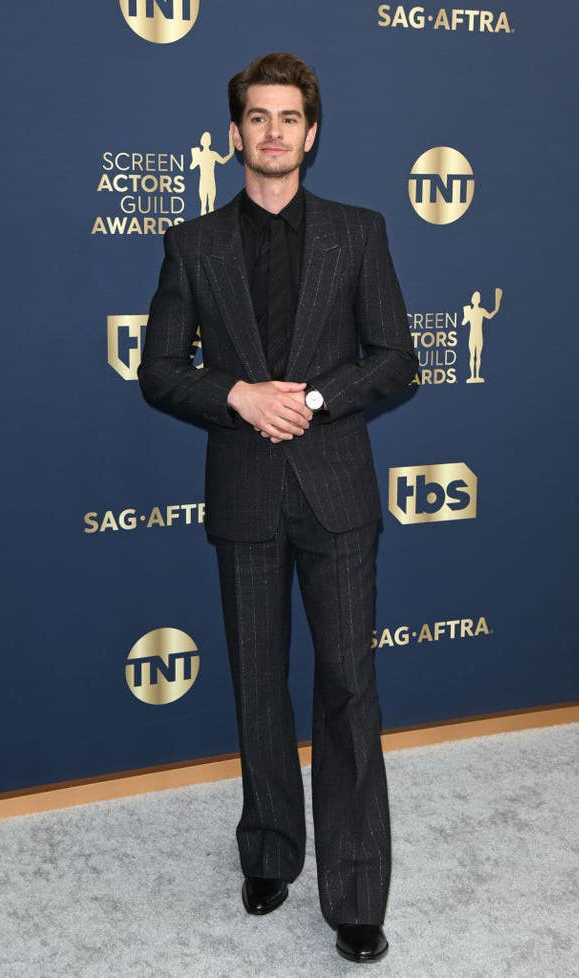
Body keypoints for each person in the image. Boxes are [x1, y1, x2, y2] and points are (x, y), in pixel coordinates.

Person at [138, 52, 418, 964]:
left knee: (347, 690)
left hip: (336, 492)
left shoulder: (360, 232)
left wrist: (318, 399)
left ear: (311, 132)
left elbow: (396, 355)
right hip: (246, 493)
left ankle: (356, 890)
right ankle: (268, 849)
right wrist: (239, 398)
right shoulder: (193, 245)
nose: (272, 133)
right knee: (259, 687)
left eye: (288, 118)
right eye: (256, 118)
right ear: (233, 136)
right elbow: (160, 372)